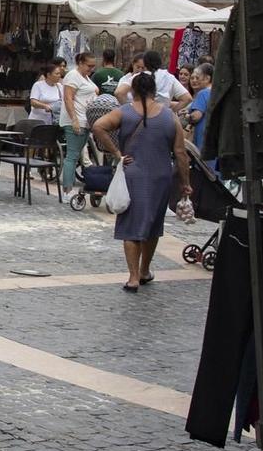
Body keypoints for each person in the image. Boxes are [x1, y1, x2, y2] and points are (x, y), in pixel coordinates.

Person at [90, 71, 192, 293]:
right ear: (155, 91)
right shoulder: (169, 116)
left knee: (131, 226)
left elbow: (98, 126)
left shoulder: (124, 112)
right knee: (153, 225)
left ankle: (133, 277)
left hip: (133, 173)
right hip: (161, 175)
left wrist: (117, 153)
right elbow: (180, 152)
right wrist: (185, 182)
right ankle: (145, 270)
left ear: (133, 90)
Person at [62, 51, 100, 186]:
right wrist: (74, 119)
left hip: (85, 120)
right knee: (72, 156)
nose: (91, 69)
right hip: (77, 120)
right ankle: (67, 188)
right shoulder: (73, 76)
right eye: (89, 66)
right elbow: (68, 98)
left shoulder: (86, 77)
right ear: (80, 63)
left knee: (76, 155)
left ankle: (69, 184)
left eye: (93, 66)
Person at [115, 49, 192, 109]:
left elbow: (119, 92)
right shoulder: (170, 77)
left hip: (140, 118)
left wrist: (130, 109)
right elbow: (187, 98)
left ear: (146, 63)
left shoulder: (140, 76)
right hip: (162, 121)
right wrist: (171, 111)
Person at [186, 63, 215, 153]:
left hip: (203, 139)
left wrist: (187, 116)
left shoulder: (203, 93)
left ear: (207, 78)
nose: (195, 80)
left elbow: (196, 116)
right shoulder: (216, 93)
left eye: (198, 77)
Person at [28, 60, 67, 125]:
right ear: (48, 75)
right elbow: (33, 102)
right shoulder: (38, 85)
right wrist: (45, 106)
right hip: (37, 121)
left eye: (59, 74)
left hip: (52, 121)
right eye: (57, 74)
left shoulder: (60, 87)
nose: (59, 76)